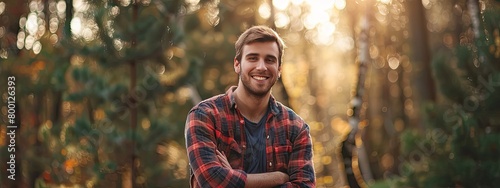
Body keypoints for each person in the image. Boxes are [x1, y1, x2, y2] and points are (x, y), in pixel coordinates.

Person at [185, 25, 315, 188]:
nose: (261, 67)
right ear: (237, 64)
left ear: (279, 69)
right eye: (253, 58)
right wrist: (278, 178)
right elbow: (212, 181)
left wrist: (232, 177)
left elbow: (304, 186)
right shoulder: (205, 116)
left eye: (270, 59)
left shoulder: (296, 128)